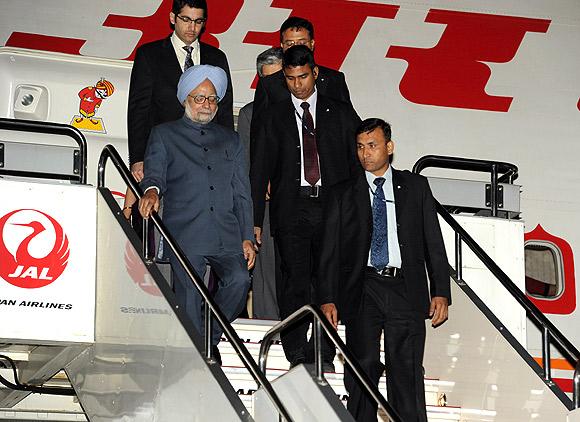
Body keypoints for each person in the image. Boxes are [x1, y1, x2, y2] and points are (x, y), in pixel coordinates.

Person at [317, 118, 451, 421]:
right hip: (363, 287)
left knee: (406, 367)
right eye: (361, 147)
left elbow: (434, 241)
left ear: (389, 147)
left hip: (406, 287)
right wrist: (328, 297)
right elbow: (329, 251)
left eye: (373, 145)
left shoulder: (416, 187)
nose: (366, 153)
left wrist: (440, 290)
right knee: (362, 364)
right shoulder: (342, 193)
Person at [250, 45, 360, 370]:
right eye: (290, 79)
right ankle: (296, 351)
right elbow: (259, 171)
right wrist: (255, 220)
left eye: (303, 77)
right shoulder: (275, 115)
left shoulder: (338, 112)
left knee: (328, 282)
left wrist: (356, 212)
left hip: (331, 208)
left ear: (314, 73)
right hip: (291, 207)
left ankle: (324, 352)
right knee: (294, 281)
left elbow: (357, 166)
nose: (298, 85)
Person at [139, 65, 255, 364]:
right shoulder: (165, 134)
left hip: (226, 232)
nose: (207, 105)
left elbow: (242, 191)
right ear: (185, 99)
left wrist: (246, 237)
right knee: (189, 293)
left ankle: (208, 335)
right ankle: (196, 355)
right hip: (185, 230)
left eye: (212, 99)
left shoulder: (231, 140)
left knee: (240, 281)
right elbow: (154, 174)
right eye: (199, 98)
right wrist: (151, 191)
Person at [128, 0, 234, 183]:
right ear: (172, 18)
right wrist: (138, 158)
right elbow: (139, 110)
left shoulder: (217, 57)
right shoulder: (149, 55)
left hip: (207, 153)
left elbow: (224, 109)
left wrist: (227, 154)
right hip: (162, 152)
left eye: (198, 21)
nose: (192, 27)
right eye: (186, 19)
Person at [250, 16, 353, 143]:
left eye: (302, 43)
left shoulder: (334, 79)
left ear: (312, 44)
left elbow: (350, 127)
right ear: (282, 46)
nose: (295, 48)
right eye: (290, 44)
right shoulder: (269, 85)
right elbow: (258, 135)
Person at [237, 47, 284, 320]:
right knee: (266, 280)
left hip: (299, 207)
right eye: (268, 80)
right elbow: (244, 169)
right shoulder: (249, 115)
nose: (274, 86)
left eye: (279, 78)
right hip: (265, 212)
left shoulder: (304, 111)